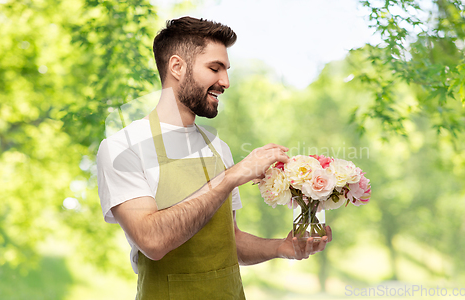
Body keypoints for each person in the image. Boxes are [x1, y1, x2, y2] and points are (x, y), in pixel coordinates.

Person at [97, 16, 332, 299]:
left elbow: (226, 240)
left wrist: (282, 248)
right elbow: (153, 241)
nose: (226, 82)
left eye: (226, 70)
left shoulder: (216, 145)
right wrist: (232, 176)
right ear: (177, 67)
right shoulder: (123, 146)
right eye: (214, 68)